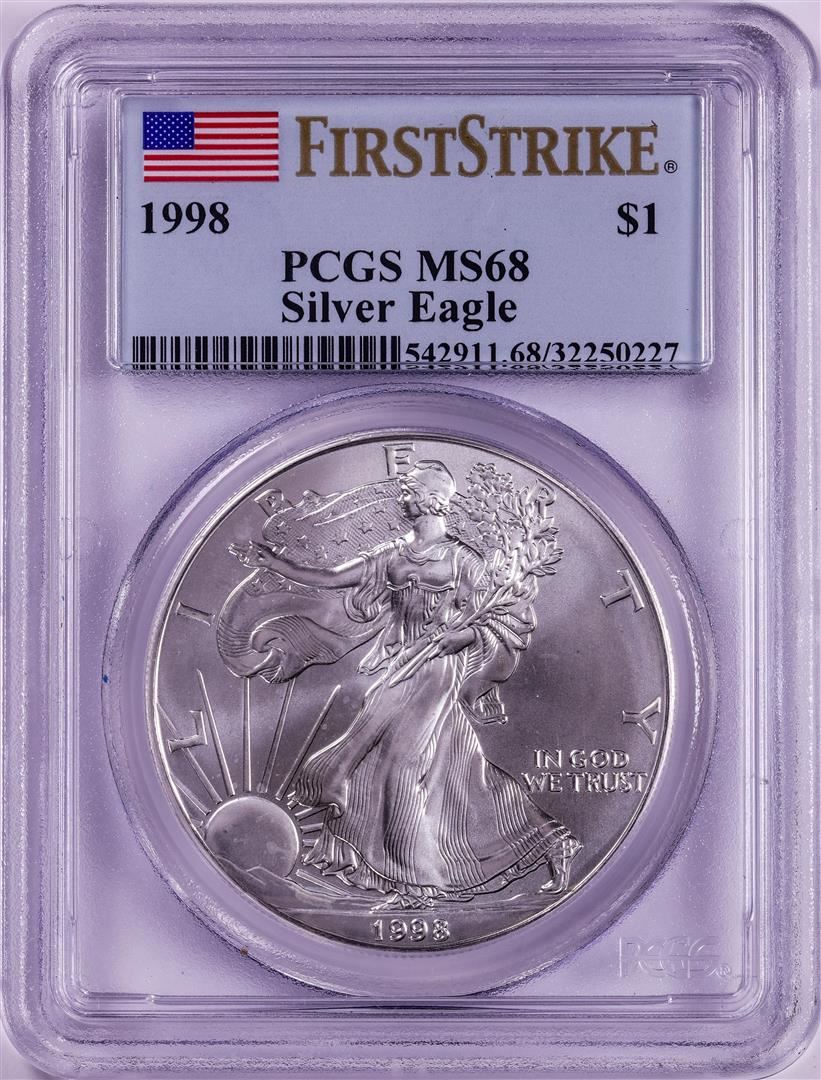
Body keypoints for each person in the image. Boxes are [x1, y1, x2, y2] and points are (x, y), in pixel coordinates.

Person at [230, 460, 579, 909]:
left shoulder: (463, 559)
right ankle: (551, 842)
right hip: (398, 667)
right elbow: (333, 580)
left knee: (401, 766)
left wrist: (463, 636)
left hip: (436, 669)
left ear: (432, 500)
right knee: (453, 770)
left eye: (411, 491)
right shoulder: (393, 554)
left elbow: (503, 616)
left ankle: (417, 885)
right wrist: (276, 564)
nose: (403, 498)